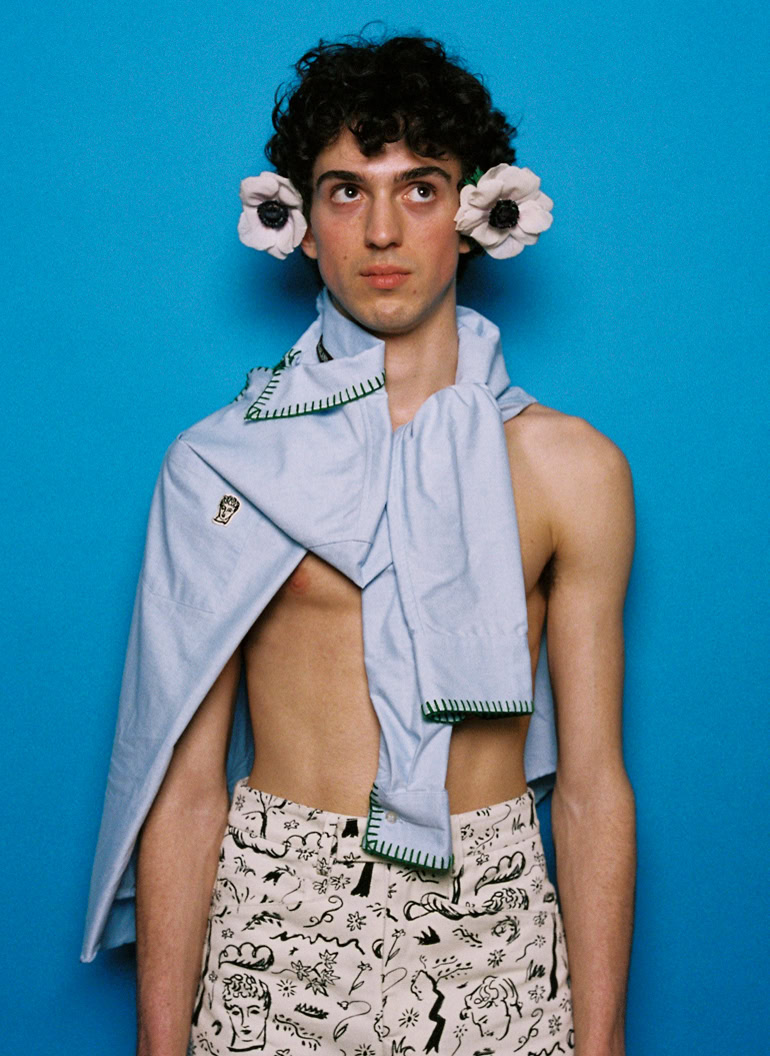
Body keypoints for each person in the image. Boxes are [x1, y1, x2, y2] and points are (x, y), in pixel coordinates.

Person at [81, 32, 637, 1056]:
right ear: (298, 220)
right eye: (346, 192)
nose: (382, 231)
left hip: (492, 919)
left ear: (476, 212)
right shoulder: (220, 465)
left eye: (420, 189)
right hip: (276, 914)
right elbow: (185, 787)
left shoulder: (571, 468)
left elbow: (594, 784)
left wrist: (601, 1046)